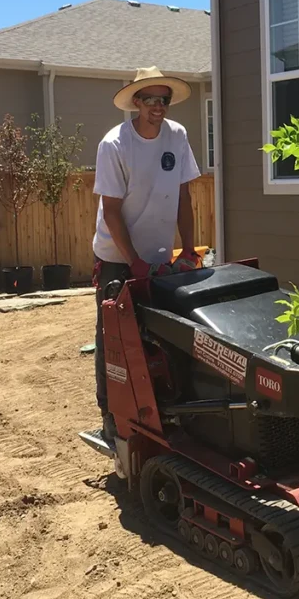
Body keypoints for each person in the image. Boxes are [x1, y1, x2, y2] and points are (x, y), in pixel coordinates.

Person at [91, 66, 203, 444]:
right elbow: (111, 211)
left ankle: (160, 408)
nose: (158, 106)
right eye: (150, 99)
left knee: (163, 333)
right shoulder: (115, 144)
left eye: (164, 100)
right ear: (136, 102)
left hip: (159, 255)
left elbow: (185, 197)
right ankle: (111, 415)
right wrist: (133, 263)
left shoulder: (177, 136)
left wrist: (187, 248)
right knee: (115, 338)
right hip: (117, 256)